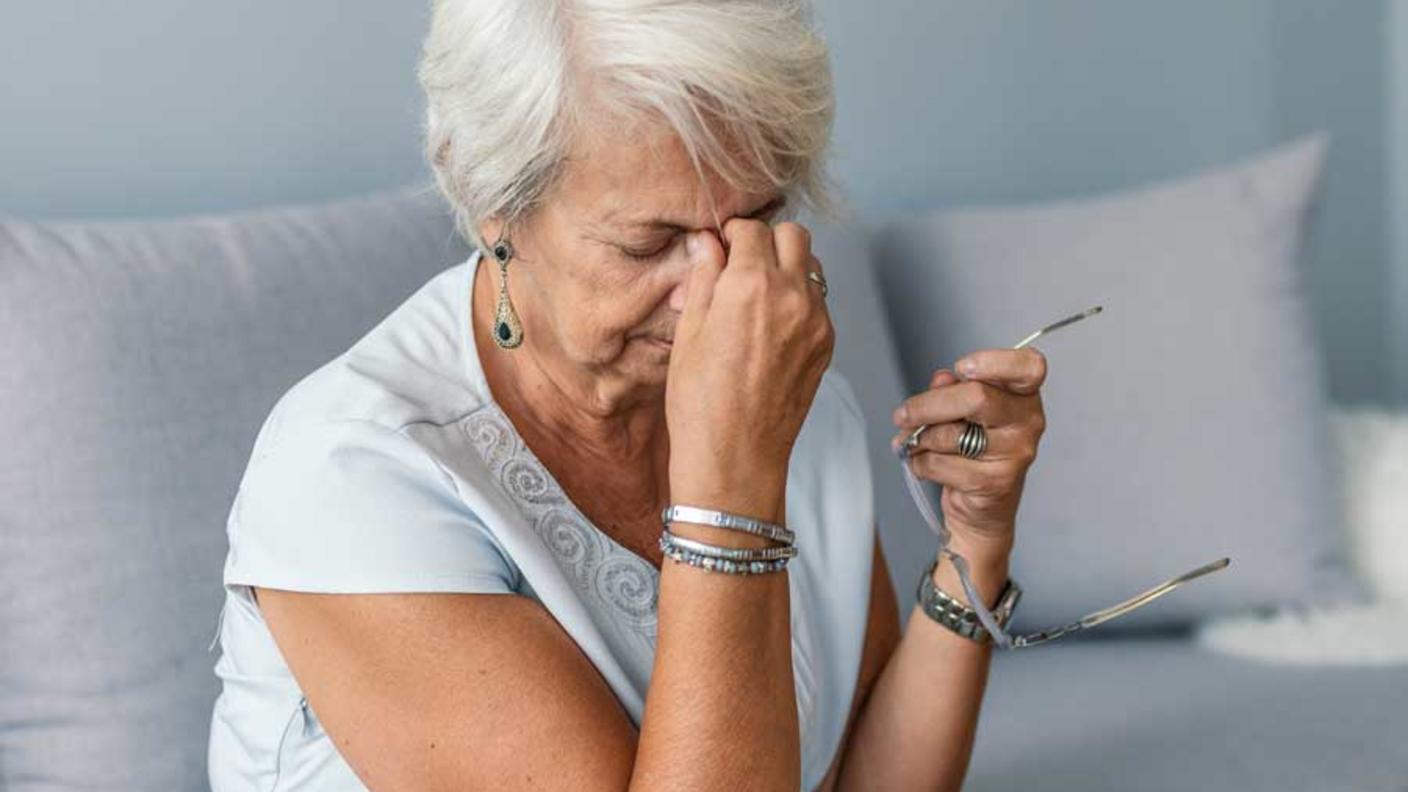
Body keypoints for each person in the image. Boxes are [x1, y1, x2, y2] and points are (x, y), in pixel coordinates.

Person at [207, 1, 1048, 789]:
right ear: (490, 200)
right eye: (651, 244)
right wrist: (733, 476)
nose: (715, 292)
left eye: (753, 220)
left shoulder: (792, 400)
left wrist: (973, 546)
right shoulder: (349, 475)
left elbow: (857, 777)